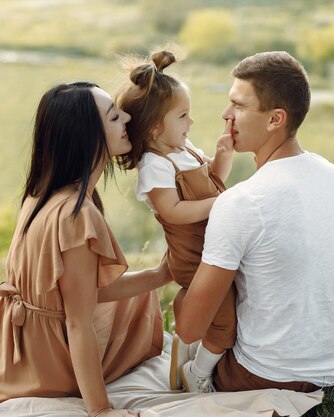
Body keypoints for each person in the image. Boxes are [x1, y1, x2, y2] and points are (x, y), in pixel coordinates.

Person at [0, 82, 174, 417]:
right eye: (114, 115)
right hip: (36, 366)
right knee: (132, 309)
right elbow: (78, 322)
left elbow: (80, 293)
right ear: (87, 135)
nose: (127, 119)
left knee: (137, 295)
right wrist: (101, 410)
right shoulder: (76, 215)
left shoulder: (42, 190)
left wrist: (162, 274)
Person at [175, 51, 334, 393]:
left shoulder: (242, 201)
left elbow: (188, 329)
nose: (225, 115)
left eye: (239, 106)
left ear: (275, 119)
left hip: (267, 375)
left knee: (190, 306)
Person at [115, 50, 236, 394]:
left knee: (225, 307)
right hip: (192, 257)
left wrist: (222, 158)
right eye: (183, 116)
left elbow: (210, 179)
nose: (191, 123)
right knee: (225, 318)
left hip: (209, 248)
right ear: (154, 127)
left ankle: (189, 343)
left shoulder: (184, 149)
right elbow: (172, 211)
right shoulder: (155, 164)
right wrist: (219, 203)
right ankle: (196, 373)